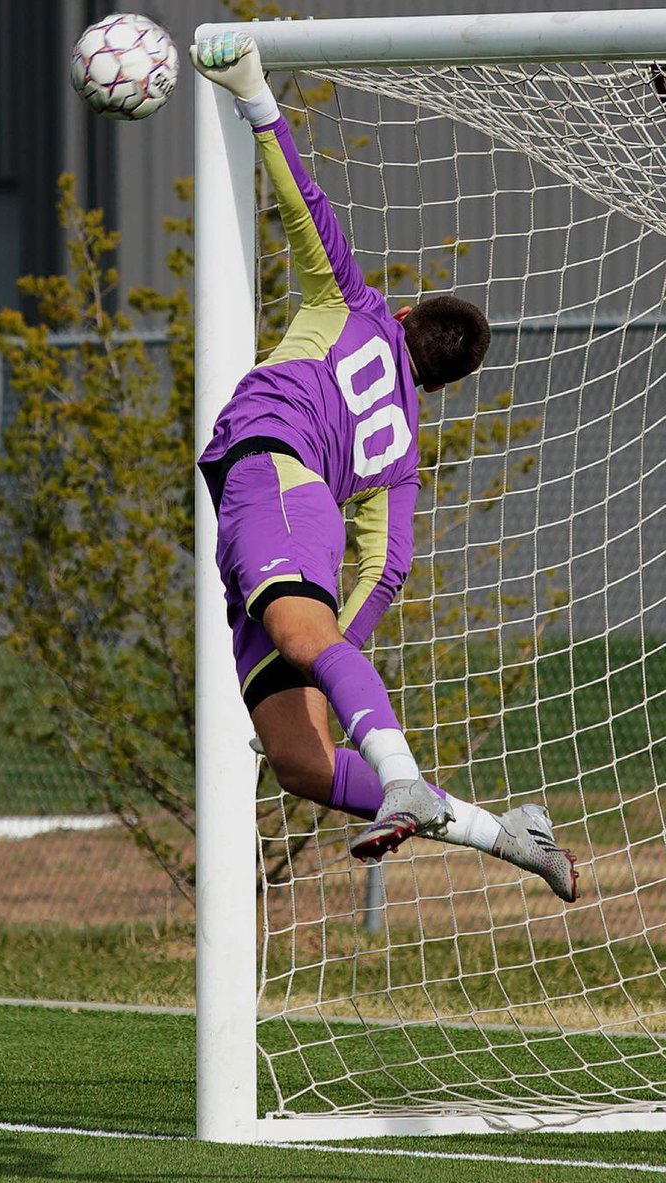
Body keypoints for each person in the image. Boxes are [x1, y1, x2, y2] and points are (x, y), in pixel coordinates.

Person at [191, 32, 578, 902]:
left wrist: (254, 90)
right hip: (287, 523)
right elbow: (387, 566)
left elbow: (303, 203)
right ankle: (507, 835)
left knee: (304, 644)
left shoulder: (350, 303)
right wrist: (338, 655)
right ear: (434, 386)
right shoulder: (401, 451)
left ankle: (397, 766)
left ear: (401, 312)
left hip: (271, 474)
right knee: (302, 762)